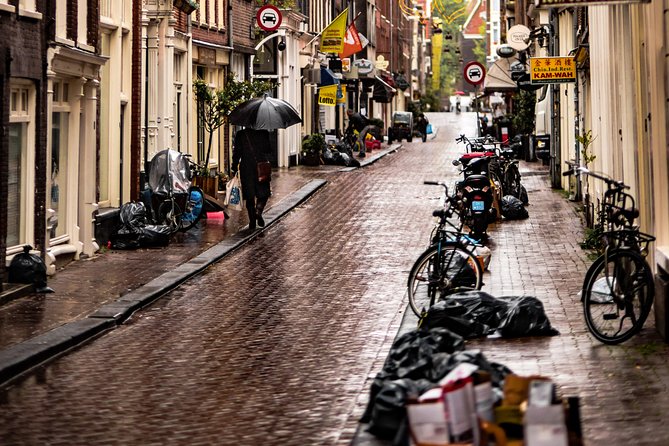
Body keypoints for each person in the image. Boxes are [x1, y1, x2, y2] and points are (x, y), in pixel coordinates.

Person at [231, 128, 272, 231]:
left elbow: (237, 152)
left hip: (246, 168)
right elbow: (268, 150)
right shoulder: (264, 133)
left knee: (249, 196)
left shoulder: (241, 134)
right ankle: (258, 211)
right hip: (260, 167)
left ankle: (252, 221)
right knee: (264, 193)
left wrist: (234, 166)